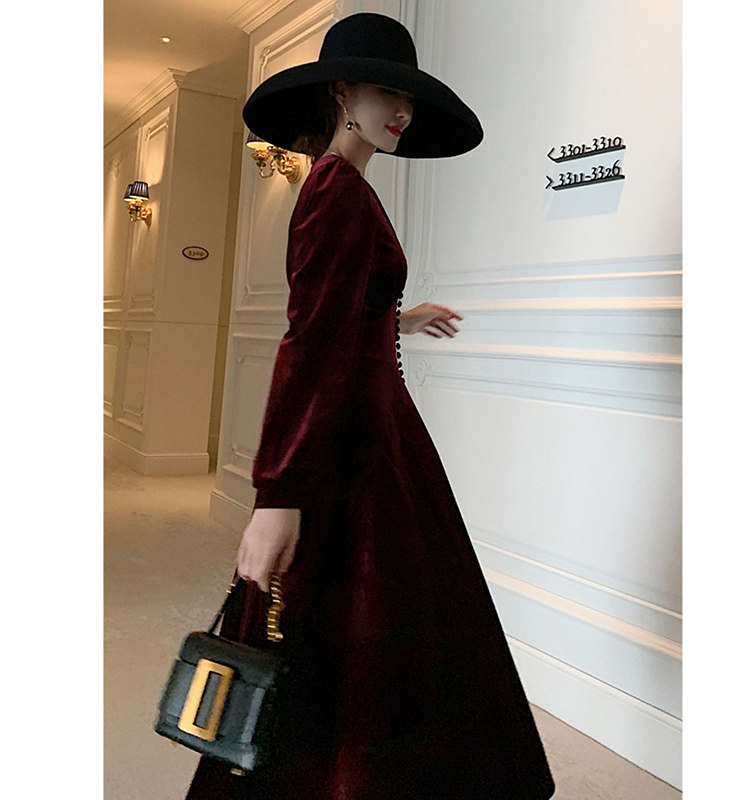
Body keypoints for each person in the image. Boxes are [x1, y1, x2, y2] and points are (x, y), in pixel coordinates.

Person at [186, 12, 556, 800]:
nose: (403, 112)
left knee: (378, 635)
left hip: (372, 437)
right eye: (389, 93)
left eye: (410, 100)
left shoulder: (343, 189)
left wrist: (398, 316)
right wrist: (278, 494)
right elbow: (308, 344)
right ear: (342, 93)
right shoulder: (336, 192)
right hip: (350, 448)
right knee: (349, 638)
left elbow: (342, 315)